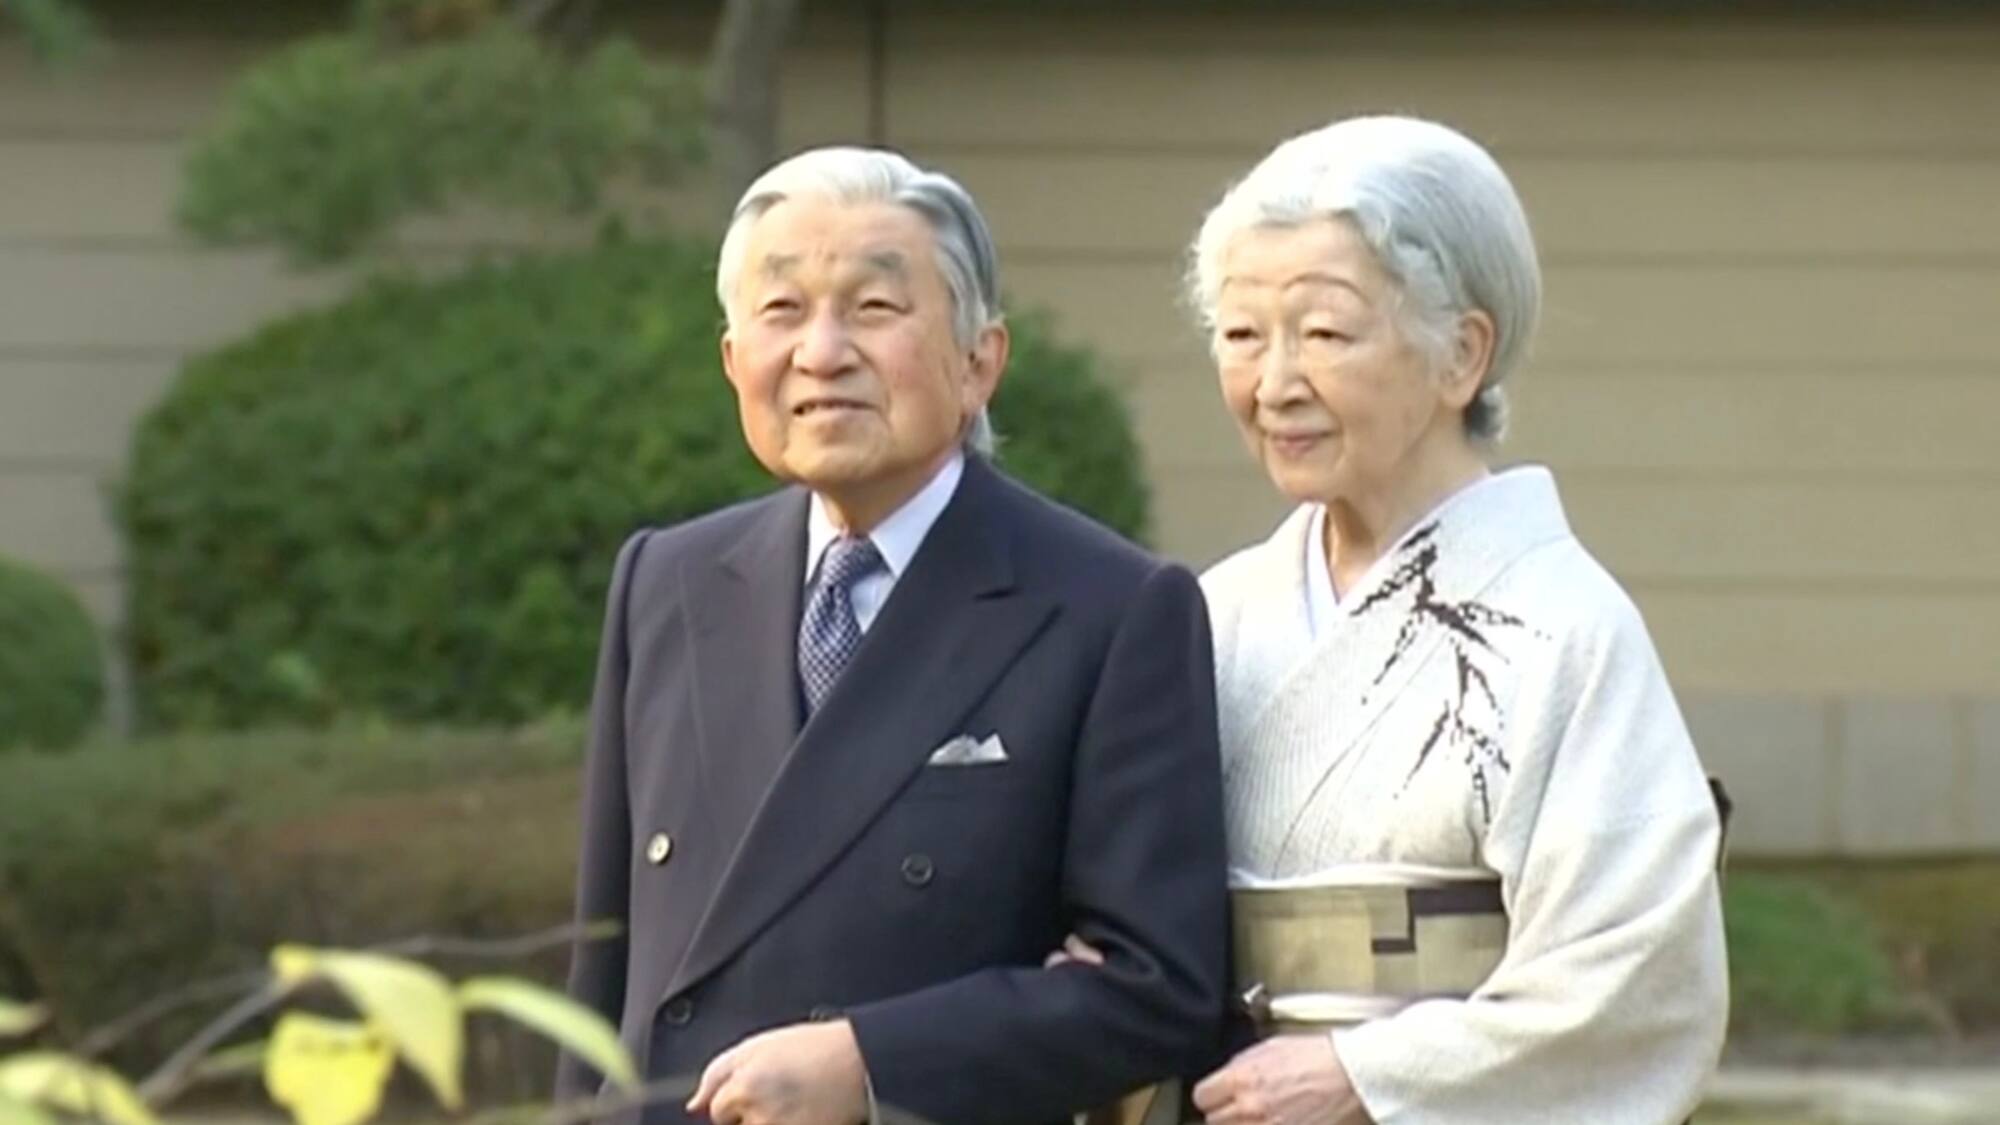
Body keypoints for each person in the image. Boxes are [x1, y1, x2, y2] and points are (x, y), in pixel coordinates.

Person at [556, 146, 1231, 1125]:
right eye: (780, 311)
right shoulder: (665, 580)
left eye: (873, 309)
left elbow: (1155, 990)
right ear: (734, 360)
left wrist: (868, 1065)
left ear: (978, 361)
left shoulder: (1108, 607)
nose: (821, 352)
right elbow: (601, 969)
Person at [1180, 115, 1728, 1124]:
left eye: (1325, 333)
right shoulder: (1209, 615)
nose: (1272, 384)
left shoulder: (1562, 629)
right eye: (1241, 335)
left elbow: (1635, 986)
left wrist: (1368, 1077)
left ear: (1459, 355)